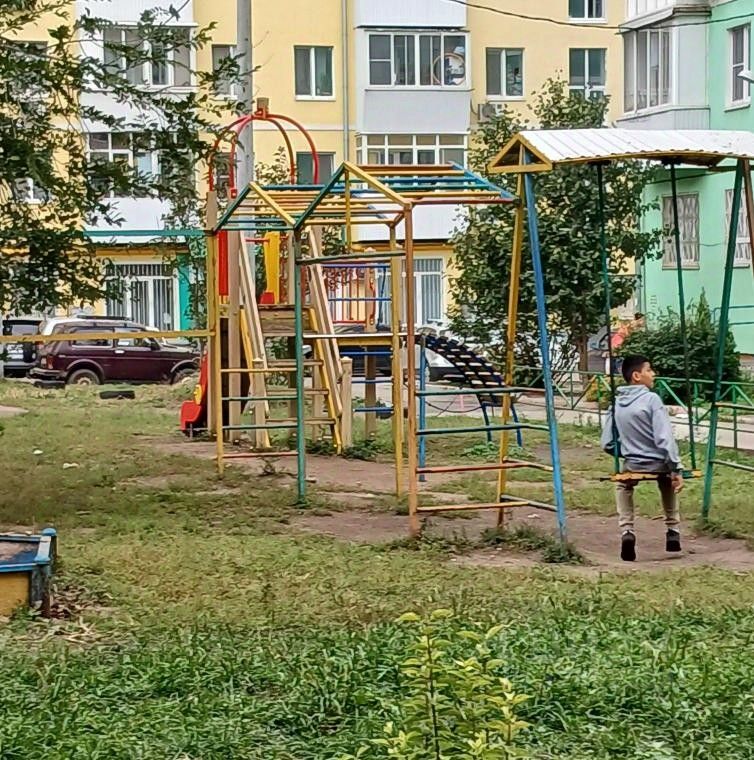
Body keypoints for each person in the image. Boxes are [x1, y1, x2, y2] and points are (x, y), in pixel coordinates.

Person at [600, 354, 684, 562]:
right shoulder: (652, 399)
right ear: (636, 376)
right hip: (659, 463)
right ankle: (673, 530)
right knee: (668, 480)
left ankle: (627, 530)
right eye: (649, 370)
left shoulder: (616, 402)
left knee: (623, 485)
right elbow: (664, 437)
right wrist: (676, 467)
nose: (653, 374)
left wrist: (628, 452)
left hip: (633, 463)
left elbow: (608, 442)